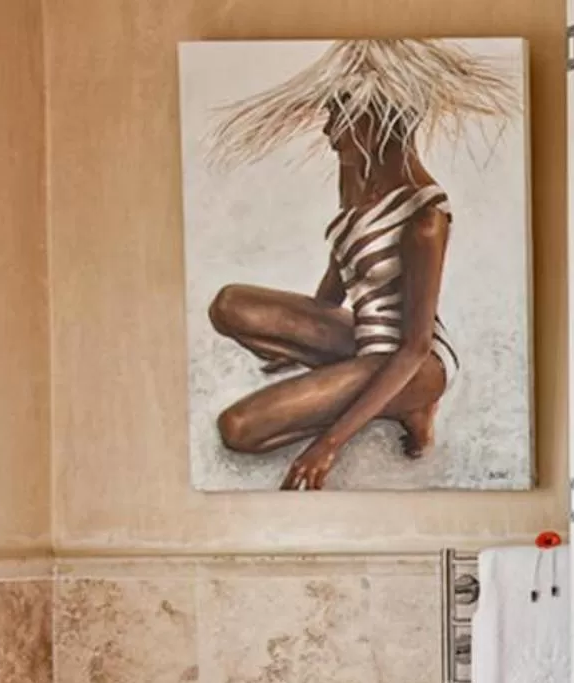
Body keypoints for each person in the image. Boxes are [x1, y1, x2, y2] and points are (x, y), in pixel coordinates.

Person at [201, 39, 518, 490]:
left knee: (238, 429)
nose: (329, 134)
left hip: (414, 360)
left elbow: (413, 345)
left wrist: (328, 444)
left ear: (372, 124)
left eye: (337, 119)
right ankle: (371, 395)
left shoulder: (425, 217)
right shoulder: (356, 180)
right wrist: (297, 342)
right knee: (229, 304)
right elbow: (335, 283)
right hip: (363, 340)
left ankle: (411, 405)